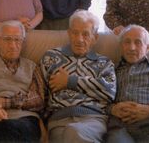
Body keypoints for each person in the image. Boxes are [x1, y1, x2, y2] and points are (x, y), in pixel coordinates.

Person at [40, 10, 116, 142]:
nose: (79, 39)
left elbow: (109, 91)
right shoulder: (51, 57)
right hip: (58, 120)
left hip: (92, 119)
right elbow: (40, 94)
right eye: (75, 33)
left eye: (85, 34)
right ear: (69, 33)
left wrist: (71, 81)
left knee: (73, 132)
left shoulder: (104, 62)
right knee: (71, 133)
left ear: (95, 38)